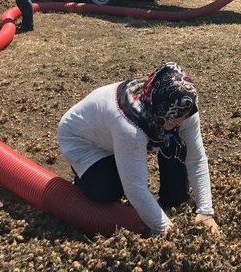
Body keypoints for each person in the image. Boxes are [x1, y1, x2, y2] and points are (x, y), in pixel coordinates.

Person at [57, 63, 219, 235]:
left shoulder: (182, 105)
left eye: (182, 117)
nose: (180, 122)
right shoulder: (130, 126)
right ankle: (85, 177)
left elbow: (196, 158)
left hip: (116, 132)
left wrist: (205, 211)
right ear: (159, 108)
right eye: (174, 118)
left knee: (176, 142)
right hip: (83, 140)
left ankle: (173, 197)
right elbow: (134, 186)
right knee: (108, 189)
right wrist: (166, 229)